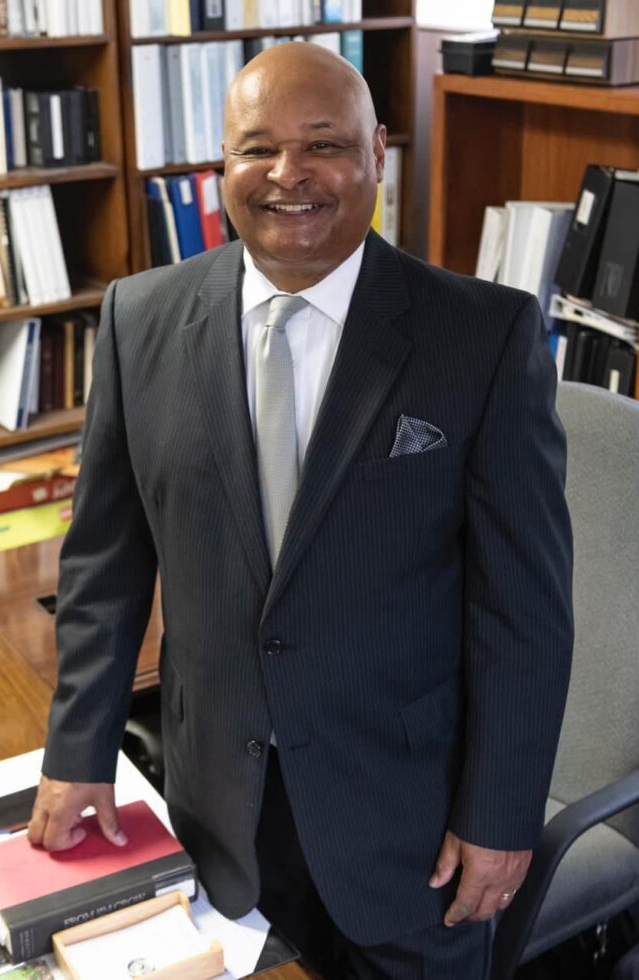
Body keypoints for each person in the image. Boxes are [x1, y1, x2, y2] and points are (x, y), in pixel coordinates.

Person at [28, 42, 574, 979]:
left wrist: (500, 815)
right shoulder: (137, 322)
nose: (289, 176)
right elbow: (105, 568)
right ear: (222, 168)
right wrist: (78, 750)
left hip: (412, 831)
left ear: (376, 152)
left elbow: (522, 610)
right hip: (217, 814)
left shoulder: (483, 336)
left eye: (323, 143)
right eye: (257, 149)